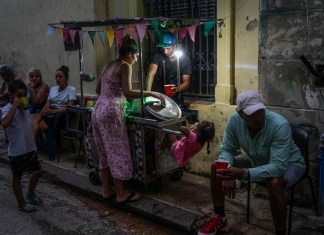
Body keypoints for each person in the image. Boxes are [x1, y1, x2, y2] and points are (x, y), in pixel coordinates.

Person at [198, 90, 306, 235]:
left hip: (289, 163)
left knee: (274, 183)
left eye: (260, 111)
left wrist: (243, 174)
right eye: (252, 113)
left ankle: (280, 233)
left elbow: (278, 167)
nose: (258, 117)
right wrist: (227, 170)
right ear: (241, 113)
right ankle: (220, 218)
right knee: (216, 166)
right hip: (257, 159)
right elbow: (227, 148)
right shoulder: (234, 120)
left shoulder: (279, 125)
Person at [91, 35, 165, 203]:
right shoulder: (124, 66)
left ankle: (106, 191)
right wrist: (151, 93)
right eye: (137, 55)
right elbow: (129, 92)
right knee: (117, 151)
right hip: (111, 112)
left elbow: (97, 89)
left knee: (104, 152)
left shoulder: (108, 65)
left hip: (98, 110)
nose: (136, 59)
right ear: (131, 53)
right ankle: (120, 194)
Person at [1, 80, 43, 213]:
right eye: (19, 95)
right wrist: (14, 106)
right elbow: (4, 123)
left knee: (37, 172)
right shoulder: (7, 109)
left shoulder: (25, 108)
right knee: (17, 176)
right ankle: (21, 203)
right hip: (17, 151)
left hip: (30, 147)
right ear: (11, 95)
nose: (22, 98)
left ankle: (30, 194)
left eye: (24, 95)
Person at [31, 65, 77, 160]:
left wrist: (52, 111)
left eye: (60, 76)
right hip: (50, 112)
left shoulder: (71, 90)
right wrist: (45, 109)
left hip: (61, 115)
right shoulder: (53, 89)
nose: (57, 79)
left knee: (37, 125)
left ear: (66, 78)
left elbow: (69, 108)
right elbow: (48, 103)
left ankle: (30, 149)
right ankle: (31, 148)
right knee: (32, 118)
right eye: (56, 76)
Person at [146, 32, 191, 105]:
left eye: (168, 48)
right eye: (163, 48)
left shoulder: (185, 59)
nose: (165, 52)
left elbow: (187, 82)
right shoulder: (158, 56)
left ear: (175, 46)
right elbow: (150, 74)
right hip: (158, 95)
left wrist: (176, 89)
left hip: (175, 98)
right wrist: (147, 95)